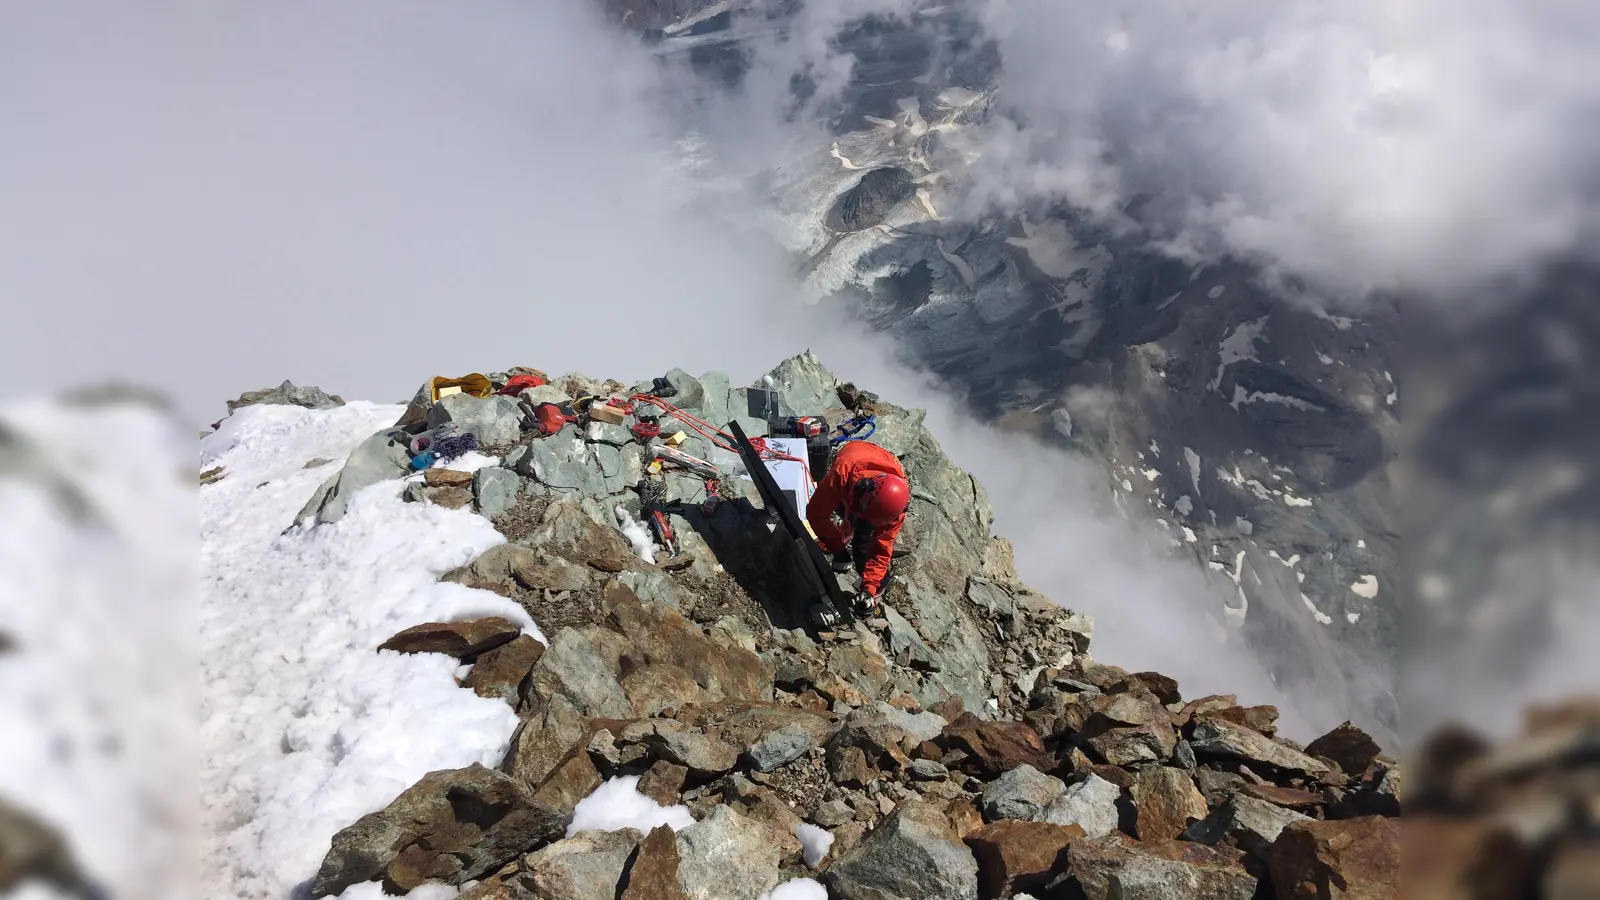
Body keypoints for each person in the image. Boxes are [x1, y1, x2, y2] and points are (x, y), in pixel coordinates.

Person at [806, 440, 911, 613]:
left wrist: (869, 588)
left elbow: (881, 550)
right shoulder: (842, 472)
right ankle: (842, 535)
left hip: (877, 467)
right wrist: (838, 550)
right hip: (855, 456)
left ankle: (877, 587)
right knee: (846, 514)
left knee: (864, 545)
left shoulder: (895, 510)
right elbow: (816, 513)